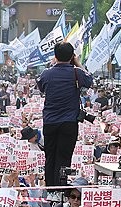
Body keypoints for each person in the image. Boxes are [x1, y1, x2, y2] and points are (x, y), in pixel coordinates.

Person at [37, 42, 94, 186]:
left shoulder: (47, 73)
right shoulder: (77, 72)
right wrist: (78, 64)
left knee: (49, 156)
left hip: (50, 122)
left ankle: (50, 188)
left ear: (55, 56)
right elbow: (89, 81)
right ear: (72, 56)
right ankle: (61, 187)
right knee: (64, 157)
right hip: (69, 122)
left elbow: (41, 87)